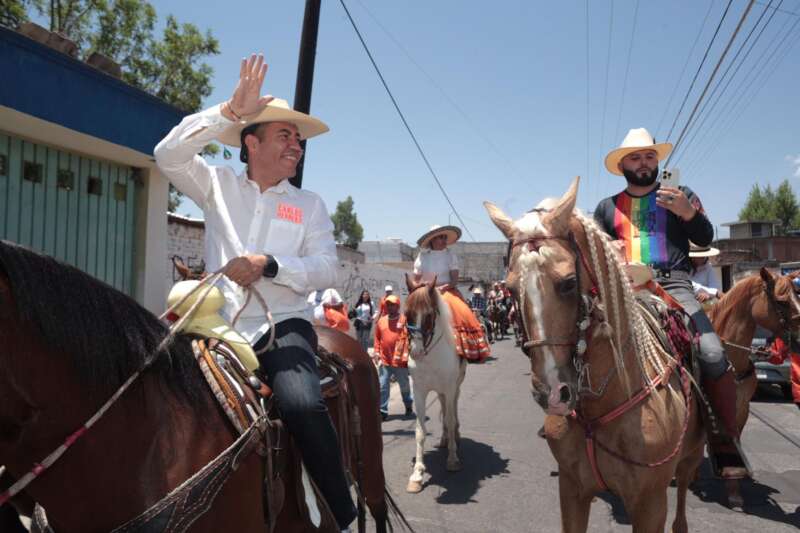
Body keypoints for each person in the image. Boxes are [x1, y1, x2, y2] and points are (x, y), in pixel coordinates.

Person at [154, 53, 356, 531]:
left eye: (299, 139)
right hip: (215, 326)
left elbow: (328, 268)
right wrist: (227, 110)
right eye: (285, 135)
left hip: (281, 325)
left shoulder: (309, 206)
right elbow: (167, 155)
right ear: (251, 141)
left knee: (303, 402)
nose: (297, 145)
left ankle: (340, 512)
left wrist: (271, 265)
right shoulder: (216, 184)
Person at [593, 127, 747, 478]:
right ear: (623, 165)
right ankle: (566, 415)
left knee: (711, 352)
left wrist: (687, 212)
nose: (644, 162)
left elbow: (705, 237)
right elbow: (594, 255)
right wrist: (609, 251)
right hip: (623, 288)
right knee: (578, 341)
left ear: (657, 161)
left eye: (649, 156)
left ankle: (724, 441)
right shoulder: (606, 207)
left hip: (673, 283)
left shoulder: (682, 194)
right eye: (635, 157)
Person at [412, 225, 490, 362]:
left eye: (444, 237)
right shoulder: (422, 257)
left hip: (447, 290)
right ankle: (405, 347)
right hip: (426, 291)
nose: (443, 240)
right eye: (440, 237)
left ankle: (470, 347)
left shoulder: (450, 255)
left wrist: (443, 287)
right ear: (432, 240)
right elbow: (415, 280)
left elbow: (454, 280)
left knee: (462, 310)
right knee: (410, 312)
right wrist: (422, 287)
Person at [373, 295, 413, 421]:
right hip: (385, 360)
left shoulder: (404, 320)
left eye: (393, 305)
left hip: (400, 361)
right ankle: (383, 411)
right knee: (383, 385)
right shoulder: (381, 321)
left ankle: (408, 404)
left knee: (404, 386)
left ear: (398, 306)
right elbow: (377, 338)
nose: (390, 307)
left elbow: (412, 337)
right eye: (388, 305)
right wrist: (376, 352)